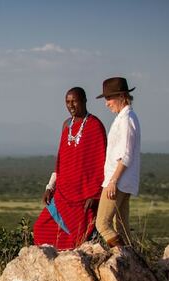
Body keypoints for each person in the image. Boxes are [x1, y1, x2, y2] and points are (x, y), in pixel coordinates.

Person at [33, 87, 106, 249]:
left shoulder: (95, 126)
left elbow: (100, 163)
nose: (71, 105)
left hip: (84, 194)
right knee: (41, 229)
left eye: (74, 101)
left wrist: (96, 195)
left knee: (79, 235)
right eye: (67, 102)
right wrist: (50, 187)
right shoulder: (66, 125)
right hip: (62, 193)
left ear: (84, 101)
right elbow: (61, 161)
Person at [95, 77, 140, 247]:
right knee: (121, 227)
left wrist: (113, 180)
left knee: (102, 224)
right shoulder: (124, 117)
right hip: (122, 180)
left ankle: (124, 259)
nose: (107, 103)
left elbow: (126, 154)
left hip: (118, 181)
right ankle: (134, 264)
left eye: (109, 98)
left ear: (122, 96)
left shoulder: (127, 119)